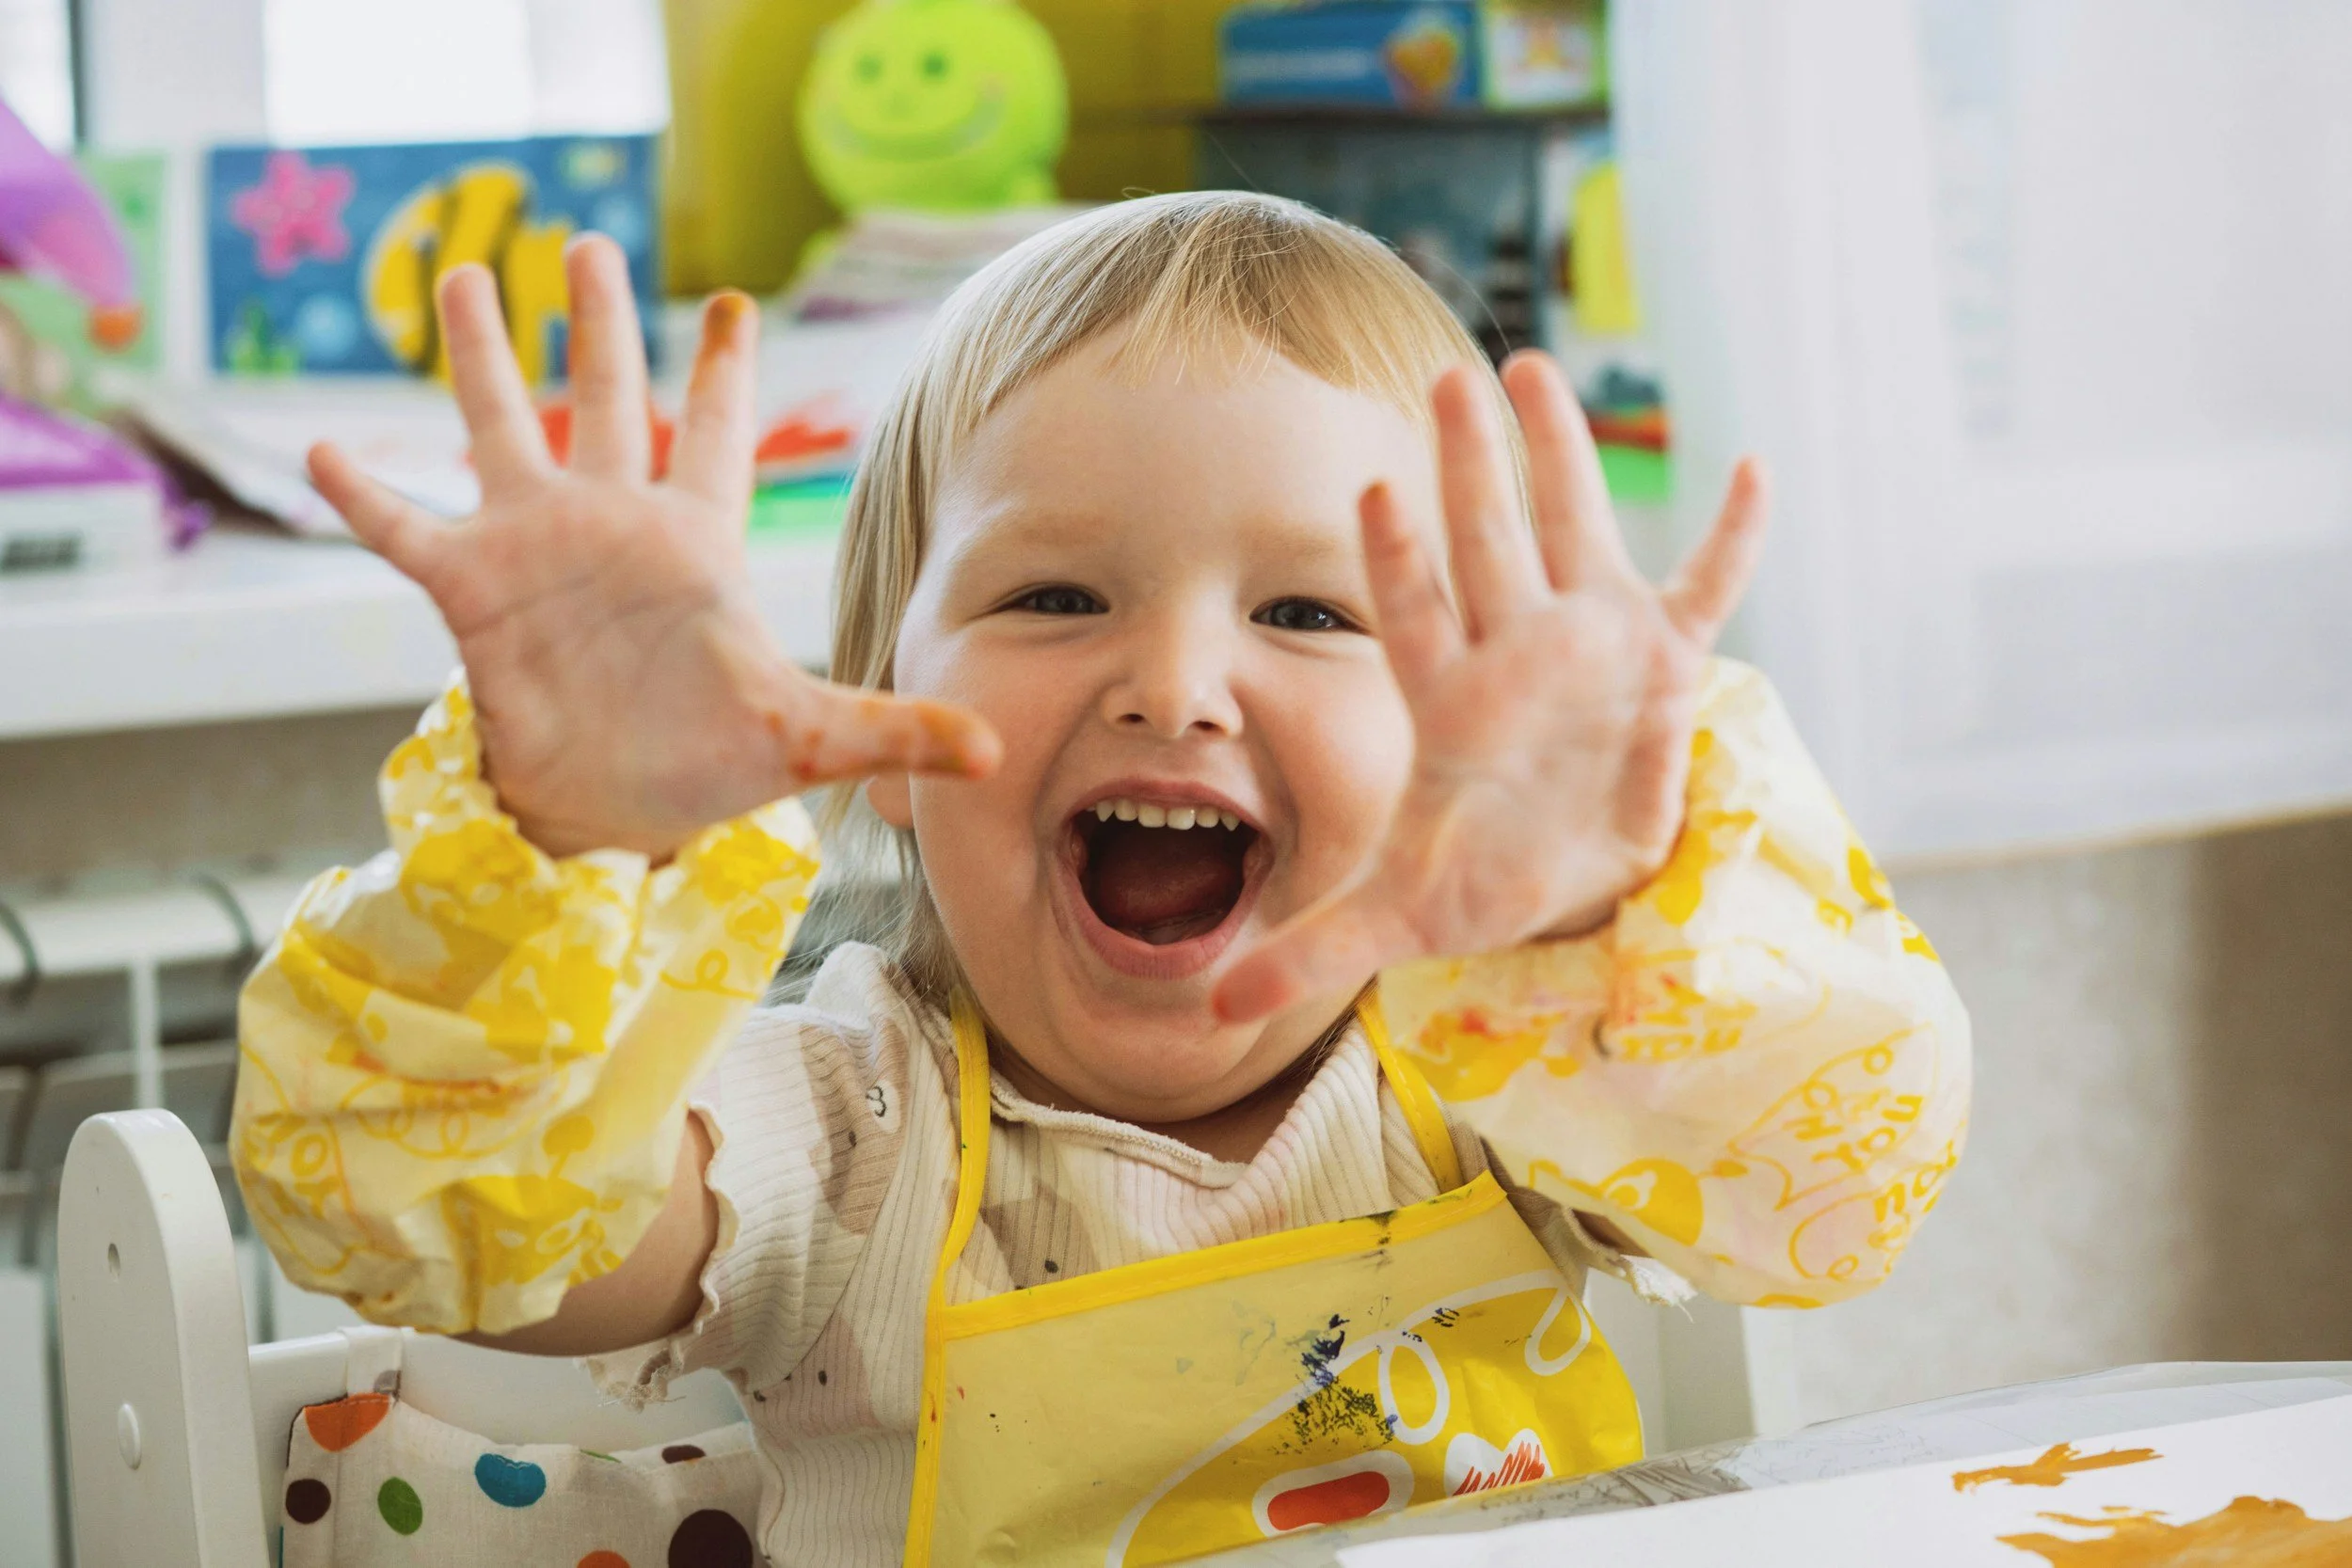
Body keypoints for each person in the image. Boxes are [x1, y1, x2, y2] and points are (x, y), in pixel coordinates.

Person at [234, 192, 1968, 1566]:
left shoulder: (1510, 1082)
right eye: (1055, 598)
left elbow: (1845, 1174)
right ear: (882, 732)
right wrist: (564, 846)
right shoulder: (846, 1132)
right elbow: (489, 1231)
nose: (1177, 686)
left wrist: (1607, 927)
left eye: (1308, 612)